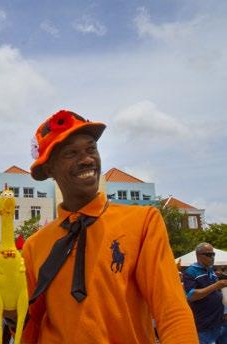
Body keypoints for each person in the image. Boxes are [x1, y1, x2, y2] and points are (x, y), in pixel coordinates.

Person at [13, 109, 198, 343]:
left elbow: (172, 311)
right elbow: (31, 326)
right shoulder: (34, 246)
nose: (87, 159)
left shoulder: (143, 222)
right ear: (49, 168)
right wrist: (9, 316)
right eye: (71, 153)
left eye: (91, 149)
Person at [183, 242, 227, 344]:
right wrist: (216, 285)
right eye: (208, 254)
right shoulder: (190, 271)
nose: (212, 257)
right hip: (205, 326)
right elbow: (191, 296)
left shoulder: (210, 270)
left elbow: (217, 294)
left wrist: (224, 311)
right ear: (198, 255)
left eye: (213, 254)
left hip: (221, 322)